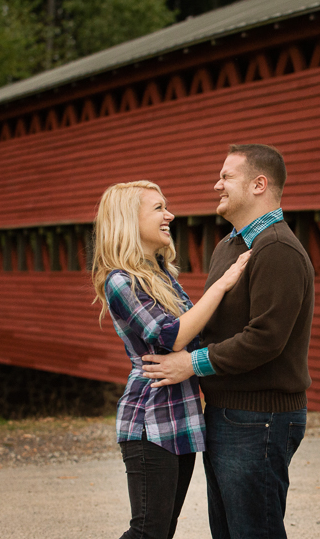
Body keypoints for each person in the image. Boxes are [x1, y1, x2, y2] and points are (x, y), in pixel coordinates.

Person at [141, 144, 315, 539]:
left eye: (226, 177)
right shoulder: (229, 247)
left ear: (258, 184)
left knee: (254, 532)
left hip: (261, 419)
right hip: (226, 413)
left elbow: (265, 339)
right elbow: (216, 325)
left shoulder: (277, 247)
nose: (216, 185)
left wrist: (190, 363)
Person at [91, 180, 250, 539]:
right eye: (159, 208)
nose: (170, 215)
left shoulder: (162, 275)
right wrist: (223, 285)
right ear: (129, 221)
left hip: (183, 415)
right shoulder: (121, 280)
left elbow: (196, 337)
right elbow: (172, 335)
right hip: (150, 419)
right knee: (148, 531)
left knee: (163, 531)